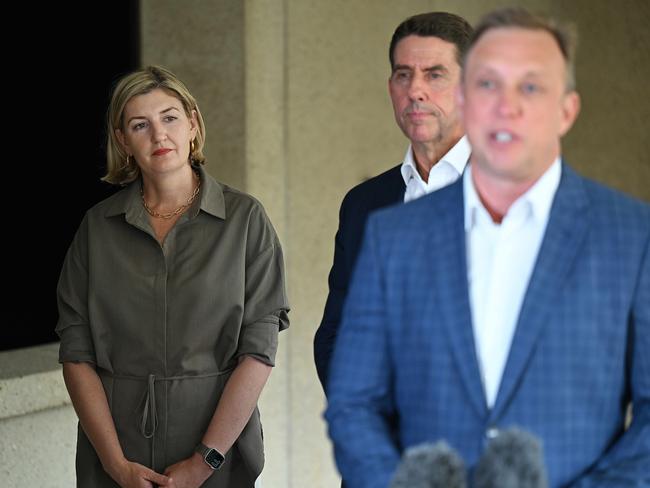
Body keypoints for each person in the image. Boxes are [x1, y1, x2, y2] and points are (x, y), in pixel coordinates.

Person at [325, 7, 649, 488]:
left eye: (531, 86)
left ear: (567, 110)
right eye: (489, 85)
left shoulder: (631, 234)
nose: (507, 105)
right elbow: (352, 398)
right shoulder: (394, 231)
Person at [56, 65, 289, 488]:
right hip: (115, 451)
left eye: (170, 118)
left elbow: (258, 351)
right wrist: (115, 465)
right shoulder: (96, 228)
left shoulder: (245, 220)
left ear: (193, 124)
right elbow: (76, 352)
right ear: (124, 141)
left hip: (217, 451)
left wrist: (204, 462)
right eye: (139, 125)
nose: (159, 135)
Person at [314, 12, 473, 392]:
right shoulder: (365, 204)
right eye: (404, 75)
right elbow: (337, 335)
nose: (415, 90)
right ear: (391, 88)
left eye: (435, 74)